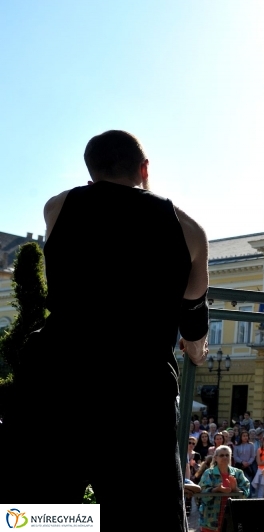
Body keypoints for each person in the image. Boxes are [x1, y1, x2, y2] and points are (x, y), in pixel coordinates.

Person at [0, 131, 210, 531]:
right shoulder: (187, 228)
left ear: (90, 172)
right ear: (145, 169)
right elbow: (194, 311)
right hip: (138, 391)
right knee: (145, 519)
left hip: (56, 378)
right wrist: (197, 352)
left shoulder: (58, 207)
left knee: (34, 515)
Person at [198, 446, 250, 532]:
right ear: (215, 458)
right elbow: (202, 494)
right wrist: (217, 489)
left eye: (227, 455)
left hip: (232, 518)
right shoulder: (209, 473)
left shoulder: (238, 473)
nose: (225, 457)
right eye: (222, 455)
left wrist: (235, 489)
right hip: (210, 520)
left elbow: (246, 494)